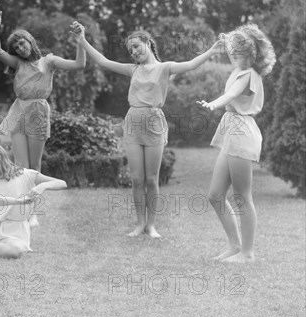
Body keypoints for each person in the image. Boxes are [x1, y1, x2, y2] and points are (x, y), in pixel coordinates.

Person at [71, 22, 223, 238]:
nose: (133, 52)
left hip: (153, 123)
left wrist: (212, 50)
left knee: (151, 179)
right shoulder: (133, 69)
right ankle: (140, 223)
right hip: (132, 122)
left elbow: (190, 64)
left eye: (136, 46)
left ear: (148, 43)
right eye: (130, 50)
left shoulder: (164, 68)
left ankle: (151, 225)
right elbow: (104, 61)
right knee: (136, 179)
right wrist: (83, 40)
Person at [0, 13, 85, 225]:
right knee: (19, 165)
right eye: (16, 47)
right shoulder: (17, 63)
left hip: (38, 111)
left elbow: (79, 64)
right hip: (18, 111)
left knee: (34, 165)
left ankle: (32, 212)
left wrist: (81, 41)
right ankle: (18, 210)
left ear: (30, 41)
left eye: (22, 43)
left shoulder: (48, 61)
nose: (20, 49)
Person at [197, 24, 276, 263]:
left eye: (239, 50)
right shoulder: (238, 69)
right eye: (233, 50)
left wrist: (212, 104)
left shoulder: (249, 74)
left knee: (243, 196)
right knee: (215, 195)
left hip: (242, 132)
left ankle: (247, 252)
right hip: (232, 129)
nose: (233, 54)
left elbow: (230, 96)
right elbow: (230, 53)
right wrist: (226, 41)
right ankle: (235, 246)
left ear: (252, 54)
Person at [0, 142, 67, 258]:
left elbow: (61, 183)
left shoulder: (26, 175)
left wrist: (42, 186)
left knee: (17, 250)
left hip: (15, 233)